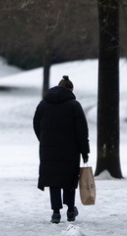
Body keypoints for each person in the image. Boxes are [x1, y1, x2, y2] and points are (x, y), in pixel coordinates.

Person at [33, 75, 90, 224]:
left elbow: (36, 124)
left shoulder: (43, 104)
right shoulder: (74, 105)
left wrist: (44, 140)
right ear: (70, 89)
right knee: (69, 180)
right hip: (70, 150)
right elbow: (82, 131)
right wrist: (85, 151)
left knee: (54, 180)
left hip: (49, 149)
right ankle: (71, 210)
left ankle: (56, 212)